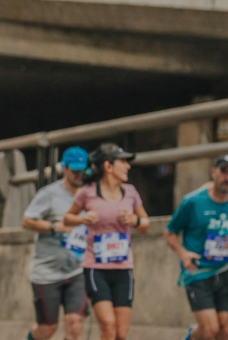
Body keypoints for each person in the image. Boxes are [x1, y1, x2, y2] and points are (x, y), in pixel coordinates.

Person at [165, 154, 228, 340]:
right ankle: (192, 335)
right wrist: (183, 253)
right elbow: (170, 233)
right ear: (213, 172)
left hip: (227, 271)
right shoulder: (192, 202)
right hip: (198, 271)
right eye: (224, 171)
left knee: (225, 330)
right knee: (209, 331)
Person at [64, 144, 149, 340]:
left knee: (120, 333)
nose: (128, 166)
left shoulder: (131, 192)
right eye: (123, 162)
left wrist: (134, 220)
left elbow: (145, 226)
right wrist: (82, 219)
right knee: (108, 325)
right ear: (108, 166)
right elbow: (68, 218)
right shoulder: (87, 192)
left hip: (123, 269)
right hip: (96, 269)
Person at [21, 146, 89, 340]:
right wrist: (55, 227)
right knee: (47, 328)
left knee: (75, 324)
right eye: (74, 170)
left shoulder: (89, 195)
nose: (78, 174)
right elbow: (26, 221)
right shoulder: (49, 194)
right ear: (64, 169)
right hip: (47, 273)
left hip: (77, 271)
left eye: (81, 170)